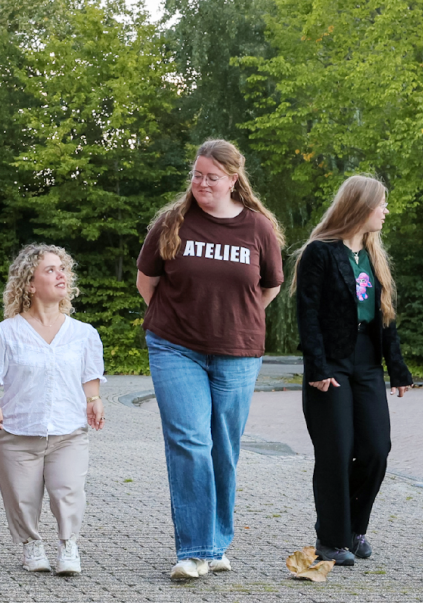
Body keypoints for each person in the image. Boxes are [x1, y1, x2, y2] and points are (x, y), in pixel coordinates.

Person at [136, 139, 284, 579]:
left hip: (237, 353)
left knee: (223, 449)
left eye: (211, 177)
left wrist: (235, 320)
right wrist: (176, 319)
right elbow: (148, 283)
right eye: (197, 175)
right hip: (175, 346)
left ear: (233, 180)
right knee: (190, 443)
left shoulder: (258, 228)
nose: (201, 183)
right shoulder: (172, 222)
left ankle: (216, 544)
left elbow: (269, 287)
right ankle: (194, 550)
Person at [290, 175, 413, 567]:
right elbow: (307, 315)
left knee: (376, 450)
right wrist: (317, 367)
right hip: (332, 363)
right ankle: (331, 539)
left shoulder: (373, 255)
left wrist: (397, 368)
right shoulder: (320, 253)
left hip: (367, 363)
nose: (385, 211)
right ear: (360, 206)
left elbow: (384, 318)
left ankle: (354, 528)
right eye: (381, 204)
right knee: (336, 452)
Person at [0, 244, 106, 576]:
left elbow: (90, 375)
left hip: (68, 431)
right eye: (50, 270)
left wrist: (94, 400)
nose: (60, 274)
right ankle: (31, 545)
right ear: (30, 284)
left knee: (69, 491)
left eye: (62, 268)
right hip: (18, 431)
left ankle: (68, 546)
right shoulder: (4, 332)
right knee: (22, 498)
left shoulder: (83, 334)